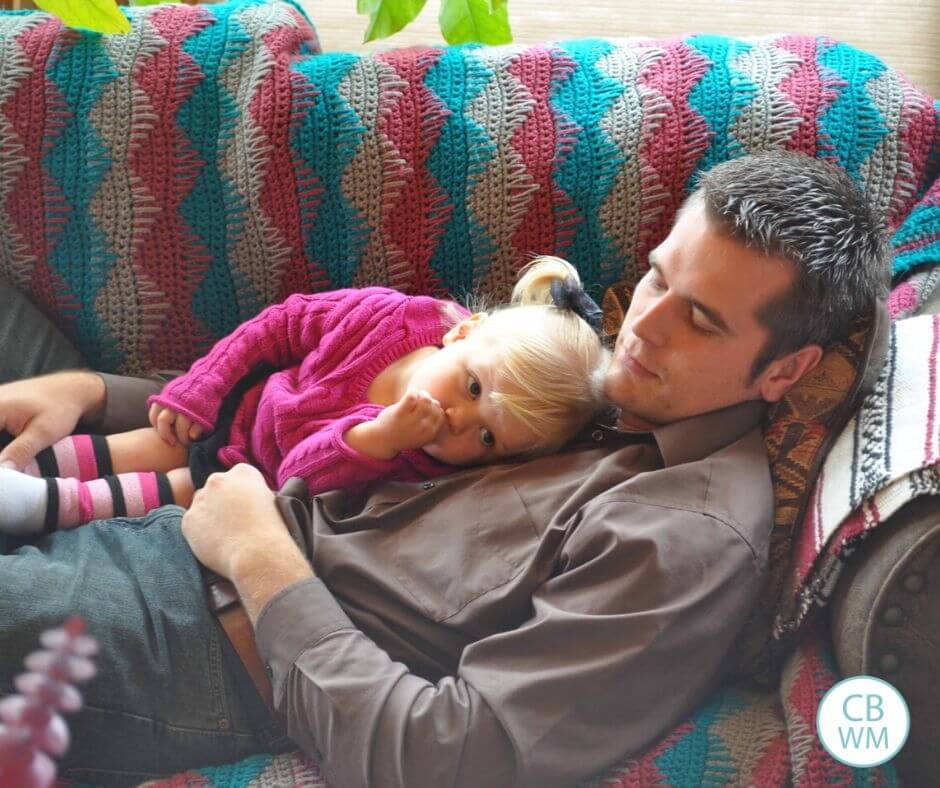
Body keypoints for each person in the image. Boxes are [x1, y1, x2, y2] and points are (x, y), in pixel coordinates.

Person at [0, 151, 889, 787]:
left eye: (700, 319)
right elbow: (312, 396)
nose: (645, 326)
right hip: (191, 514)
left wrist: (258, 556)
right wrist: (90, 393)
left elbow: (446, 757)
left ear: (785, 372)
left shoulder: (683, 540)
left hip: (194, 638)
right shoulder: (600, 382)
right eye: (658, 280)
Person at [0, 257, 608, 535]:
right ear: (464, 329)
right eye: (473, 387)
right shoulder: (388, 317)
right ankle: (21, 467)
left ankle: (42, 507)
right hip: (239, 416)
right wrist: (203, 386)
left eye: (487, 437)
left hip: (254, 487)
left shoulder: (418, 465)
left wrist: (380, 438)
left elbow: (300, 474)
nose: (457, 421)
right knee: (139, 444)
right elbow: (283, 325)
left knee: (157, 493)